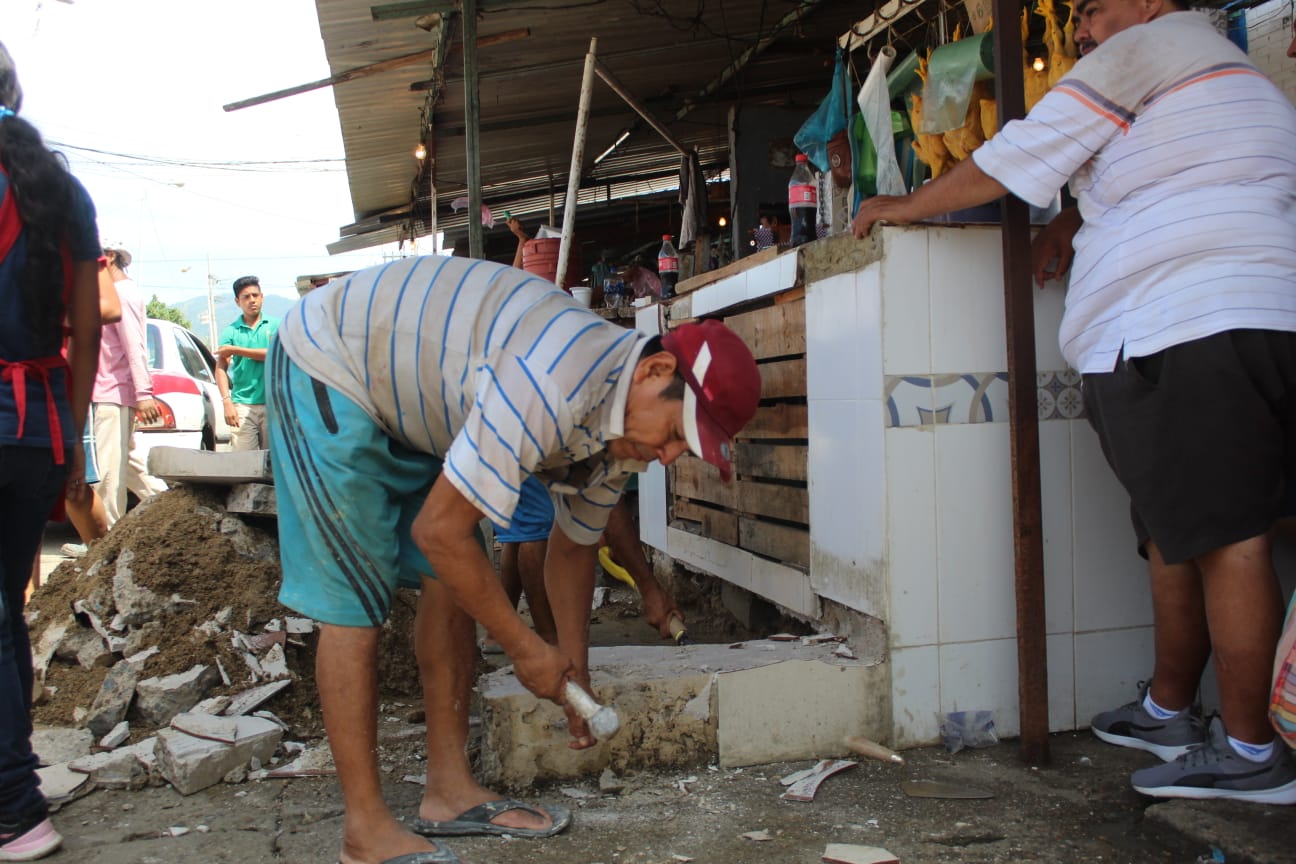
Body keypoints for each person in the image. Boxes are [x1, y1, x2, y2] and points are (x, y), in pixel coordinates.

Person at [852, 0, 1296, 804]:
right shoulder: (1230, 74)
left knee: (1230, 537)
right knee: (1176, 530)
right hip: (1245, 317)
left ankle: (1252, 753)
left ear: (1153, 3)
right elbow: (1165, 169)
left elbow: (1013, 156)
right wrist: (1077, 224)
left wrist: (901, 205)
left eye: (1094, 9)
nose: (1083, 28)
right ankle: (1169, 709)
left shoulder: (1149, 48)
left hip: (1187, 320)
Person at [266, 255, 760, 864]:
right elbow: (437, 532)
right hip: (333, 359)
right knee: (354, 601)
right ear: (656, 370)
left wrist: (572, 669)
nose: (669, 456)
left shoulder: (622, 431)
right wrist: (528, 651)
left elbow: (574, 549)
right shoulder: (554, 379)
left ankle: (448, 792)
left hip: (414, 401)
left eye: (687, 448)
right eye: (679, 431)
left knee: (452, 582)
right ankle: (363, 831)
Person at [0, 40, 102, 861]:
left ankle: (14, 806)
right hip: (35, 426)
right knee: (5, 609)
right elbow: (88, 323)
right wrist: (68, 436)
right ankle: (17, 773)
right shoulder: (60, 190)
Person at [216, 275, 277, 451]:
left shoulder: (275, 325)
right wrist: (227, 402)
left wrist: (236, 350)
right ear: (237, 301)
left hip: (273, 404)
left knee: (275, 463)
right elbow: (220, 367)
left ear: (262, 297)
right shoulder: (231, 331)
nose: (252, 300)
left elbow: (273, 354)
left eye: (255, 295)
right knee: (245, 464)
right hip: (242, 405)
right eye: (246, 297)